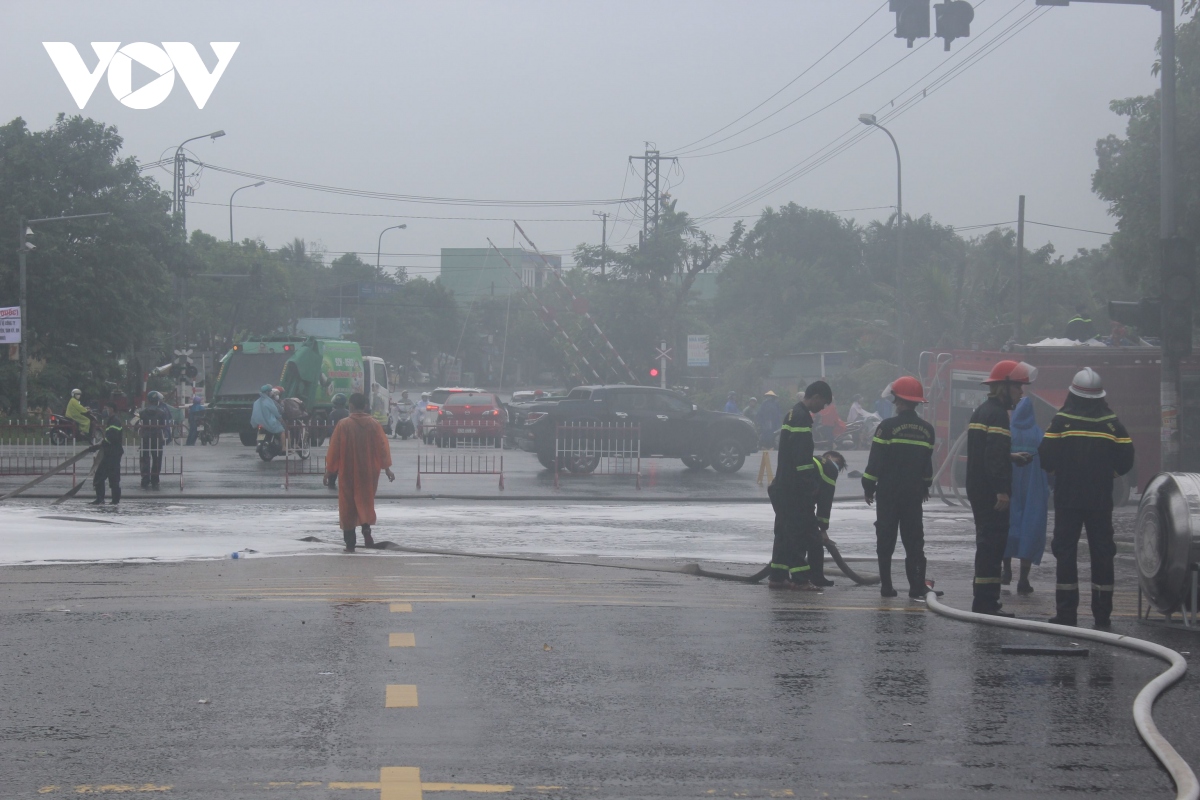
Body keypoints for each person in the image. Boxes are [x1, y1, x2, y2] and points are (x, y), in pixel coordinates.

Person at [1038, 368, 1134, 628]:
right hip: (1100, 500)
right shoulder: (1112, 422)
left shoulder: (1062, 420)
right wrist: (1109, 473)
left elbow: (1045, 456)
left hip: (1068, 499)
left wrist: (1060, 471)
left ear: (1073, 393)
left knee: (1066, 552)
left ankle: (1067, 613)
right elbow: (1127, 457)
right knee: (1102, 554)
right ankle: (1102, 616)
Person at [966, 360, 1038, 616]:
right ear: (1004, 387)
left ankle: (985, 600)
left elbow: (987, 452)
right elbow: (993, 456)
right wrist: (1002, 490)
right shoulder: (997, 415)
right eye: (1018, 387)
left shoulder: (982, 411)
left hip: (978, 489)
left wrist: (1011, 456)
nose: (1021, 393)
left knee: (986, 545)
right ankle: (986, 603)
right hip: (990, 494)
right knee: (992, 547)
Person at [862, 377, 940, 600]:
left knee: (885, 539)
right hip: (913, 494)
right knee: (914, 541)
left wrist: (868, 486)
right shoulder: (927, 430)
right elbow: (927, 465)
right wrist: (925, 486)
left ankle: (887, 587)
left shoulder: (886, 427)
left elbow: (875, 462)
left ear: (898, 400)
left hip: (888, 493)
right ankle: (916, 588)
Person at [766, 381, 833, 591]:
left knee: (784, 532)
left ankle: (777, 576)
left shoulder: (793, 414)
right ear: (816, 396)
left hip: (783, 485)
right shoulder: (802, 418)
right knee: (799, 533)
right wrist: (809, 484)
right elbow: (802, 457)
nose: (822, 408)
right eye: (823, 403)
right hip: (795, 488)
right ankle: (801, 579)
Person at [324, 393, 396, 552]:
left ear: (350, 405)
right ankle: (366, 528)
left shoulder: (343, 425)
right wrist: (387, 469)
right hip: (369, 471)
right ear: (365, 406)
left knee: (347, 505)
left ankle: (350, 543)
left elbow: (334, 449)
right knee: (365, 501)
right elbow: (383, 448)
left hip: (348, 471)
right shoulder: (374, 425)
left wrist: (329, 471)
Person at [1003, 396, 1050, 595]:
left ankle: (1005, 573)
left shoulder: (1007, 433)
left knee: (1006, 527)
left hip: (1009, 489)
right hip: (1034, 492)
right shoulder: (1038, 435)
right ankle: (1023, 580)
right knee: (1030, 529)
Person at [810, 450, 847, 587]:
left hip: (777, 490)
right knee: (814, 538)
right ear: (829, 457)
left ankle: (778, 577)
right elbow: (825, 501)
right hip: (797, 499)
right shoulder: (829, 467)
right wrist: (823, 530)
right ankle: (816, 577)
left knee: (785, 536)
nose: (837, 467)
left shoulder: (813, 461)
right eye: (838, 463)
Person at [137, 391, 172, 488]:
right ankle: (155, 480)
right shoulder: (162, 412)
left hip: (145, 437)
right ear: (157, 401)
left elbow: (136, 425)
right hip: (157, 438)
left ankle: (145, 479)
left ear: (148, 400)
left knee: (145, 459)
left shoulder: (142, 412)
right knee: (157, 459)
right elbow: (165, 426)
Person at [88, 415, 125, 505]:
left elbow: (111, 438)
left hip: (111, 453)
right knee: (113, 478)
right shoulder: (113, 420)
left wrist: (100, 445)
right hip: (112, 453)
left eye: (107, 408)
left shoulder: (114, 421)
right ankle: (113, 500)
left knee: (101, 476)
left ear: (111, 409)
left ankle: (102, 499)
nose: (106, 411)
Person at [327, 394, 351, 489]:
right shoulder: (348, 413)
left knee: (334, 461)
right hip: (347, 441)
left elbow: (330, 429)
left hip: (335, 441)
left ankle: (331, 481)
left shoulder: (332, 414)